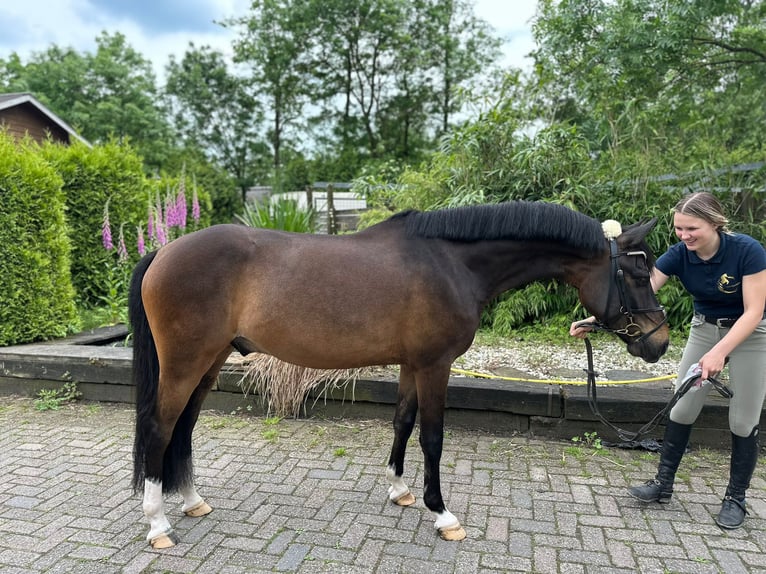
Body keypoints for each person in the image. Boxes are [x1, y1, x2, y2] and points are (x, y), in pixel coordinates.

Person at [570, 192, 766, 529]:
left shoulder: (747, 251)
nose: (684, 236)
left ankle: (736, 497)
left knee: (743, 420)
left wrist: (720, 353)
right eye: (679, 229)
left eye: (692, 228)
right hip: (704, 329)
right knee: (682, 408)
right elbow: (638, 295)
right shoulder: (679, 255)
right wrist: (596, 319)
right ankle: (663, 484)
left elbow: (754, 312)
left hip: (753, 335)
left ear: (715, 223)